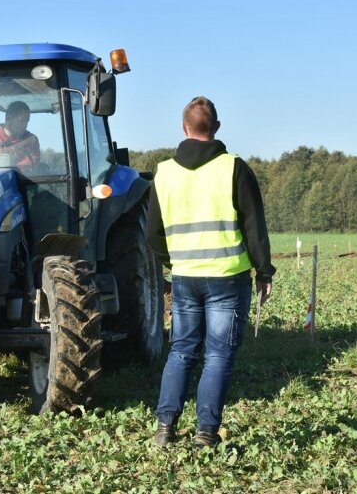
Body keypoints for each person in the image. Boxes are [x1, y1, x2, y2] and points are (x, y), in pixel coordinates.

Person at [145, 96, 275, 450]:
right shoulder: (234, 168)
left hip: (186, 278)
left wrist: (174, 262)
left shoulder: (164, 172)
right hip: (227, 279)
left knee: (182, 351)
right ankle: (205, 433)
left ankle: (164, 428)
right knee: (218, 355)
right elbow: (254, 226)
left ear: (184, 128)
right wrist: (264, 271)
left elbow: (151, 232)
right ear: (216, 128)